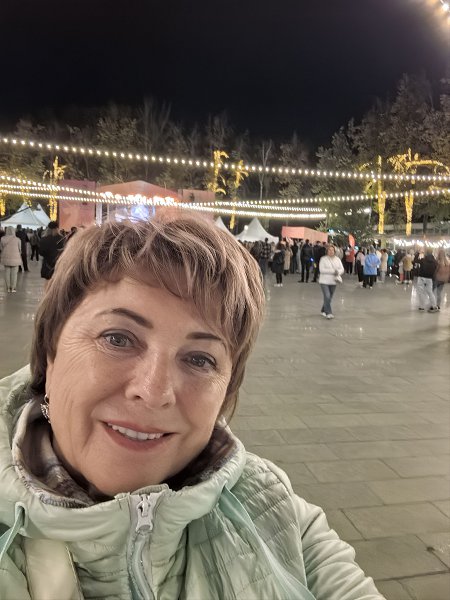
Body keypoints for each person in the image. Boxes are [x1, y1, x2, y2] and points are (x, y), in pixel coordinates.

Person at [0, 216, 384, 599]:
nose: (154, 392)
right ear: (50, 352)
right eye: (118, 338)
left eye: (200, 359)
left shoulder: (276, 514)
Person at [318, 244, 344, 319]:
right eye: (329, 250)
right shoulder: (323, 259)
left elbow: (342, 269)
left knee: (329, 297)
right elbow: (321, 270)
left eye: (332, 250)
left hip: (333, 281)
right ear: (327, 251)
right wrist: (333, 271)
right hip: (324, 281)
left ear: (335, 251)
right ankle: (328, 312)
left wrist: (338, 272)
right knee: (327, 296)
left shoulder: (337, 259)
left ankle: (323, 309)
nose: (331, 251)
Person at [0, 226, 22, 292]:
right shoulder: (18, 239)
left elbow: (1, 248)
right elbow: (20, 249)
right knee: (14, 274)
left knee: (7, 273)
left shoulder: (2, 239)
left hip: (6, 258)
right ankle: (13, 288)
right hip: (15, 258)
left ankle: (8, 288)